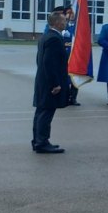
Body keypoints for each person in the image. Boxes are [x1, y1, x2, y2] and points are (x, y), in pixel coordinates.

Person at [32, 11, 70, 154]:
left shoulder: (46, 36)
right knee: (46, 113)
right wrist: (55, 83)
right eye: (64, 20)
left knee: (41, 111)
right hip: (50, 82)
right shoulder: (54, 38)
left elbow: (39, 60)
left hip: (43, 80)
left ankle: (38, 140)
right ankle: (42, 142)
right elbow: (49, 62)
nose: (65, 23)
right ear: (57, 23)